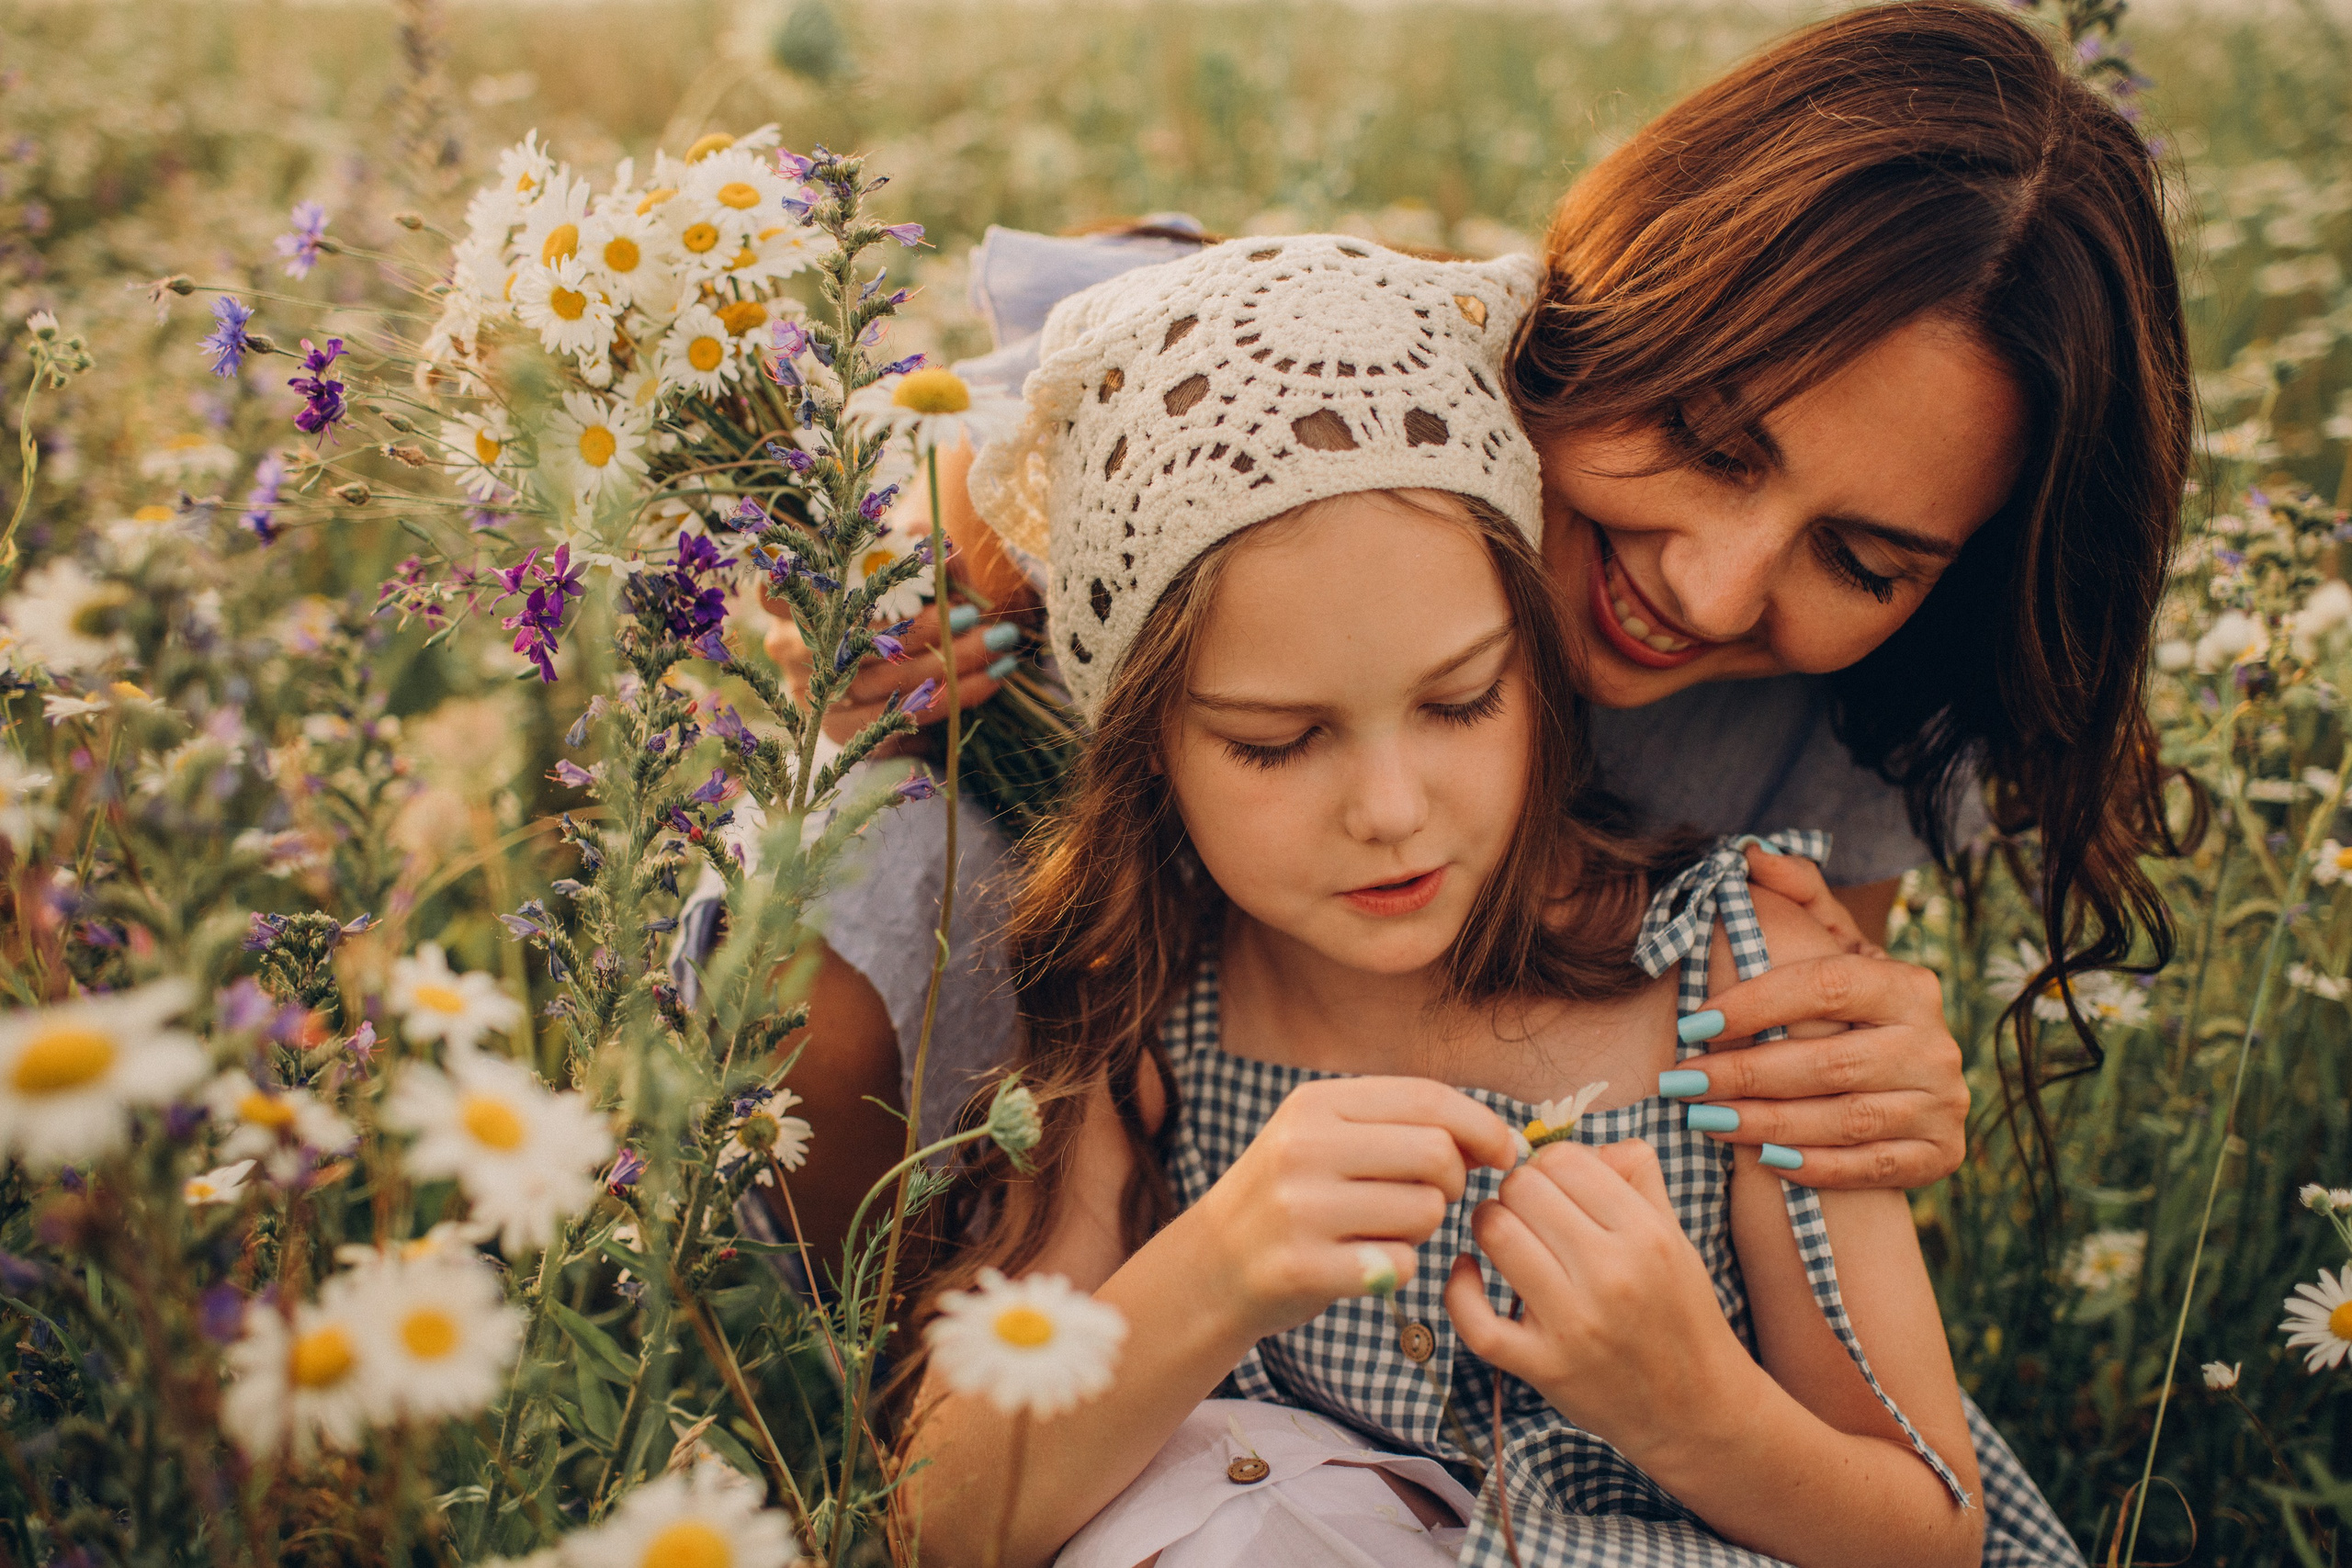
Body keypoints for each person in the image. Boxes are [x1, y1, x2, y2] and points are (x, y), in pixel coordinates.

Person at [756, 0, 2188, 1247]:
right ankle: (859, 1403)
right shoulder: (1373, 403)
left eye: (1863, 559)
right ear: (1628, 296)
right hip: (1047, 1108)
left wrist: (1855, 1062)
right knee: (857, 886)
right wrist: (867, 582)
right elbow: (1044, 389)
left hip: (1411, 1306)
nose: (1714, 588)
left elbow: (1781, 1118)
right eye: (1707, 437)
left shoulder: (1847, 715)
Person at [899, 234, 2077, 1568]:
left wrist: (1692, 1411)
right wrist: (1214, 1274)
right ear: (1147, 756)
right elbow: (944, 1525)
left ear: (1540, 665)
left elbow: (1932, 1537)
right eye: (1277, 742)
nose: (1392, 810)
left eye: (1461, 702)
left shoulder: (1740, 980)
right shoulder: (1145, 999)